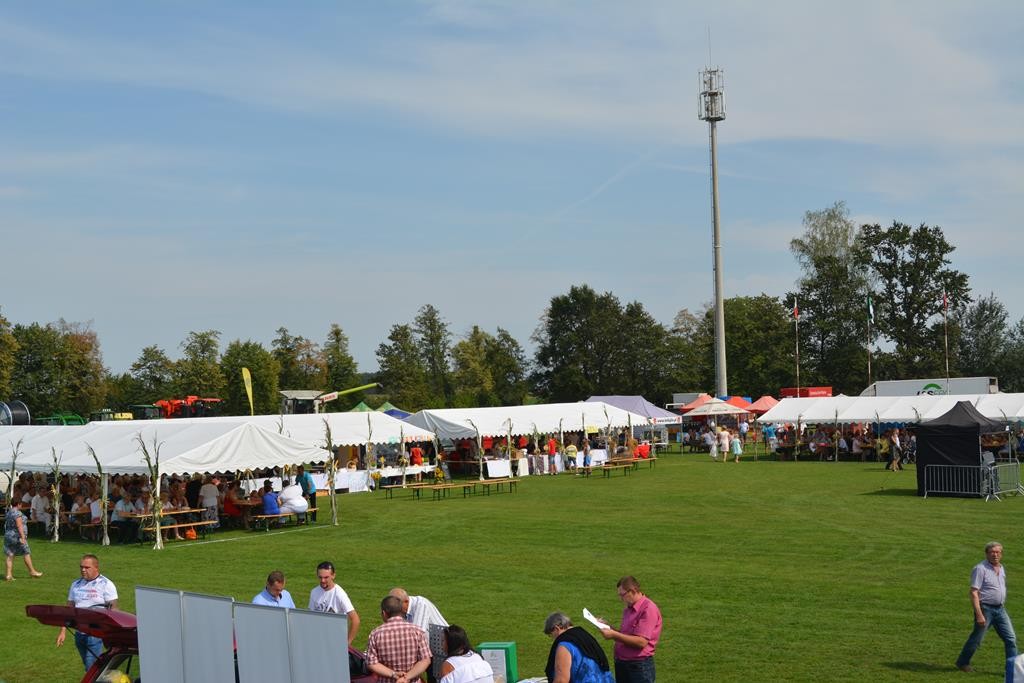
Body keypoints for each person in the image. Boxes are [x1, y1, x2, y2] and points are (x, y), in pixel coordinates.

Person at [956, 542, 1017, 672]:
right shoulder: (980, 569)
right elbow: (973, 592)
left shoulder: (1001, 568)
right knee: (977, 639)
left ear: (1001, 554)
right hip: (986, 609)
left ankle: (1012, 670)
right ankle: (963, 662)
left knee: (1010, 639)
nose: (995, 555)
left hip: (1000, 609)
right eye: (992, 552)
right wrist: (979, 614)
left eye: (998, 552)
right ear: (987, 554)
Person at [57, 554, 118, 671]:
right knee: (89, 668)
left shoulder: (106, 585)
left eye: (87, 567)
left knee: (91, 669)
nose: (83, 570)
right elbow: (69, 609)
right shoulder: (76, 584)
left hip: (96, 634)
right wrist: (63, 631)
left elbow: (114, 611)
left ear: (96, 567)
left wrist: (113, 635)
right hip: (79, 634)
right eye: (81, 567)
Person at [600, 576, 662, 682]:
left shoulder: (648, 609)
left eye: (622, 595)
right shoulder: (629, 609)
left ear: (632, 591)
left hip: (638, 667)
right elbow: (626, 635)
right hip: (624, 664)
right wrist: (608, 627)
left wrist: (613, 634)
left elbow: (641, 642)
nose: (621, 599)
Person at [366, 594, 432, 683]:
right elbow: (425, 660)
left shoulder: (376, 634)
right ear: (402, 611)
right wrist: (407, 677)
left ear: (384, 613)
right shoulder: (417, 631)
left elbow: (372, 663)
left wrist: (393, 674)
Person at [544, 611, 613, 683]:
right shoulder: (584, 635)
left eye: (551, 635)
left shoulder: (564, 645)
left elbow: (561, 680)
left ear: (557, 628)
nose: (553, 639)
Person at [309, 561, 360, 644]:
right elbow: (310, 617)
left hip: (336, 640)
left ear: (333, 576)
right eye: (320, 577)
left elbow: (355, 620)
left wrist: (347, 643)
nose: (322, 580)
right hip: (318, 639)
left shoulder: (339, 594)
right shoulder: (314, 592)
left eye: (326, 577)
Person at [5, 498, 43, 580]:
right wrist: (23, 537)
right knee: (26, 552)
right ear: (18, 504)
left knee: (10, 554)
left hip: (8, 536)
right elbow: (19, 525)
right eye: (21, 504)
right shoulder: (17, 513)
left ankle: (8, 575)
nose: (21, 505)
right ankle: (32, 571)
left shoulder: (9, 512)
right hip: (17, 536)